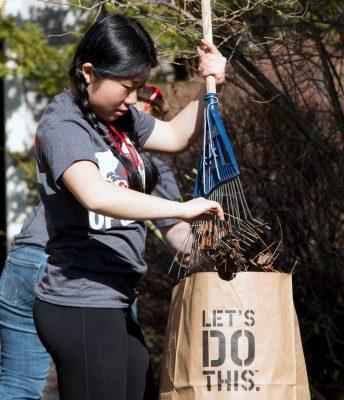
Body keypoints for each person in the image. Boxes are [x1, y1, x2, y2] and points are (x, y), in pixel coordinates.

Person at [32, 13, 226, 400]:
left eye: (139, 87)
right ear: (89, 72)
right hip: (80, 300)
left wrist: (214, 86)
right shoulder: (63, 125)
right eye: (127, 87)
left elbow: (174, 136)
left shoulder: (118, 119)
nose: (134, 99)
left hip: (116, 297)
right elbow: (96, 194)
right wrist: (181, 208)